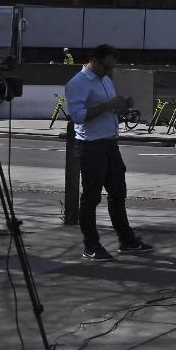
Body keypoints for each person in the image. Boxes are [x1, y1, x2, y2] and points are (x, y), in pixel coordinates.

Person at [64, 44, 151, 261]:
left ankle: (126, 240)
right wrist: (107, 105)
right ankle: (91, 245)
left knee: (118, 193)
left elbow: (108, 107)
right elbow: (78, 116)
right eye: (106, 67)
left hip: (110, 143)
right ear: (94, 60)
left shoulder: (106, 80)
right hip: (91, 145)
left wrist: (121, 105)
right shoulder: (78, 83)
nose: (109, 71)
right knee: (91, 197)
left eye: (112, 68)